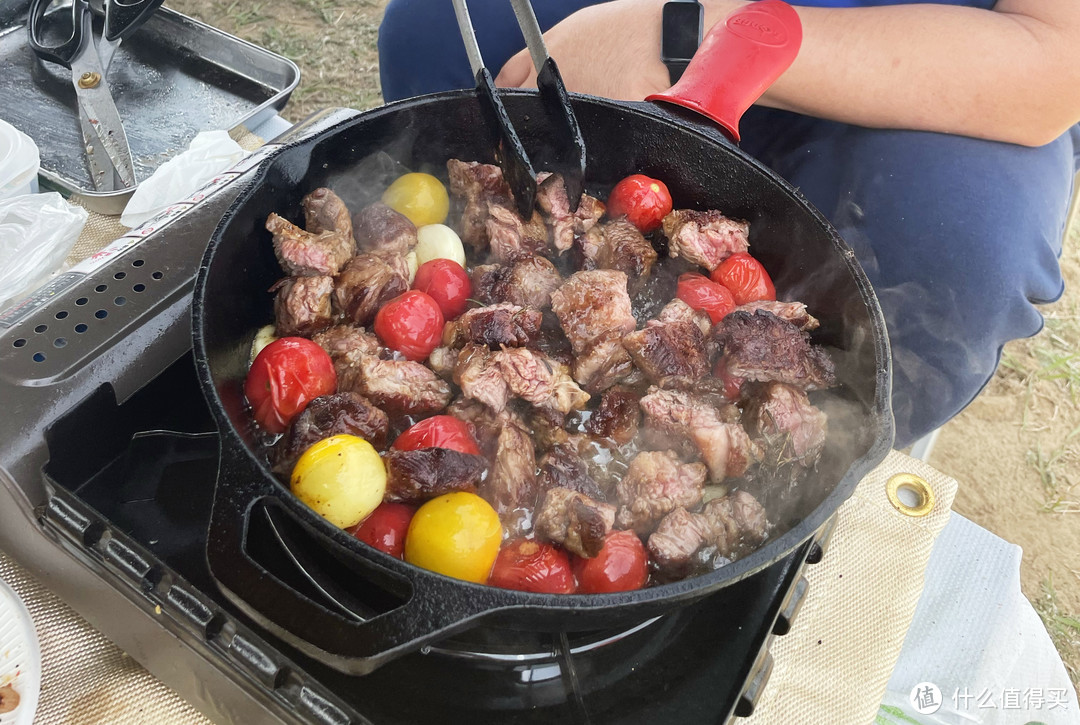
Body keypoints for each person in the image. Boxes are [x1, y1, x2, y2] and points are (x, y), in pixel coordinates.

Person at [377, 0, 1080, 449]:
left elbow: (1057, 60)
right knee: (432, 32)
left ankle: (791, 441)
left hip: (937, 48)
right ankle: (461, 308)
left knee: (954, 254)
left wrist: (685, 31)